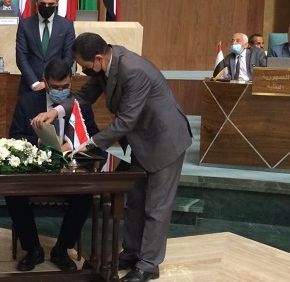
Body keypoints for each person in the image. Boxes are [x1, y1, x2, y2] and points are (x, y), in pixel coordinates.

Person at [31, 33, 192, 282]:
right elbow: (83, 97)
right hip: (143, 141)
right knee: (135, 202)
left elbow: (126, 121)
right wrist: (56, 111)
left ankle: (148, 264)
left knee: (156, 207)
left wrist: (89, 144)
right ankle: (132, 252)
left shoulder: (133, 71)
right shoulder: (106, 64)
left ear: (97, 58)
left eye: (84, 66)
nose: (83, 71)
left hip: (165, 140)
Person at [6, 60, 104, 272]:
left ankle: (61, 249)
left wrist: (77, 147)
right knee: (13, 193)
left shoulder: (80, 104)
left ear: (71, 81)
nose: (61, 91)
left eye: (65, 86)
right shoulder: (27, 102)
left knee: (85, 195)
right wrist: (39, 141)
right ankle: (33, 249)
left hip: (71, 170)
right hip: (36, 170)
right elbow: (14, 137)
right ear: (45, 83)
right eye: (55, 87)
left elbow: (94, 137)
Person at [15, 0, 76, 95]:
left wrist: (50, 82)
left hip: (58, 88)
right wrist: (35, 84)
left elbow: (69, 56)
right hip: (29, 88)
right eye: (43, 3)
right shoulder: (25, 25)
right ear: (36, 1)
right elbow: (21, 57)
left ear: (57, 2)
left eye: (50, 4)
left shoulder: (67, 25)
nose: (46, 7)